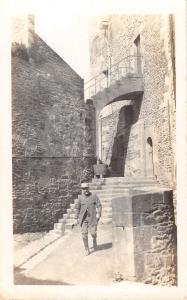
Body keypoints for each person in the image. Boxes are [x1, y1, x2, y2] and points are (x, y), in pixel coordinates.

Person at [74, 182, 102, 256]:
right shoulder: (80, 198)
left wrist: (98, 213)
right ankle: (87, 249)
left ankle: (94, 240)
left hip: (92, 218)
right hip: (83, 219)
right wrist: (76, 218)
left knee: (93, 233)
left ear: (88, 188)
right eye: (83, 189)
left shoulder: (94, 196)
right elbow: (77, 208)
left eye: (86, 188)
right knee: (84, 234)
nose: (85, 190)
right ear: (81, 189)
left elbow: (99, 205)